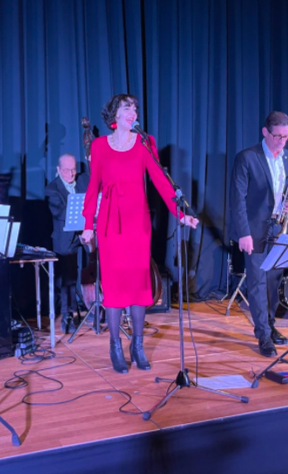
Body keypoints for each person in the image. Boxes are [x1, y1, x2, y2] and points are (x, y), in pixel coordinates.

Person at [81, 95, 198, 373]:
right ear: (115, 114)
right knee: (114, 286)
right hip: (110, 223)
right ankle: (114, 345)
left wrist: (181, 214)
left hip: (137, 223)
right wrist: (88, 224)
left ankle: (137, 345)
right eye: (127, 108)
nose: (133, 112)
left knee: (138, 284)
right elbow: (93, 186)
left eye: (135, 108)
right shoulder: (99, 145)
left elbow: (161, 181)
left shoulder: (145, 142)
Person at [229, 111, 288, 357]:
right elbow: (237, 199)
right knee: (257, 282)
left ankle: (269, 325)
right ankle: (263, 334)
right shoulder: (247, 157)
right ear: (265, 132)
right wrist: (244, 233)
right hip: (254, 228)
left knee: (274, 281)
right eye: (277, 136)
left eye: (286, 136)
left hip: (279, 227)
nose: (282, 141)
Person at [44, 153, 90, 334]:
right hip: (65, 236)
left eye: (73, 170)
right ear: (58, 169)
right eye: (66, 170)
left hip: (86, 231)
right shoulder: (51, 189)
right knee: (67, 277)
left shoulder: (83, 180)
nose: (71, 174)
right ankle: (68, 315)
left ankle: (99, 306)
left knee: (98, 263)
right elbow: (60, 213)